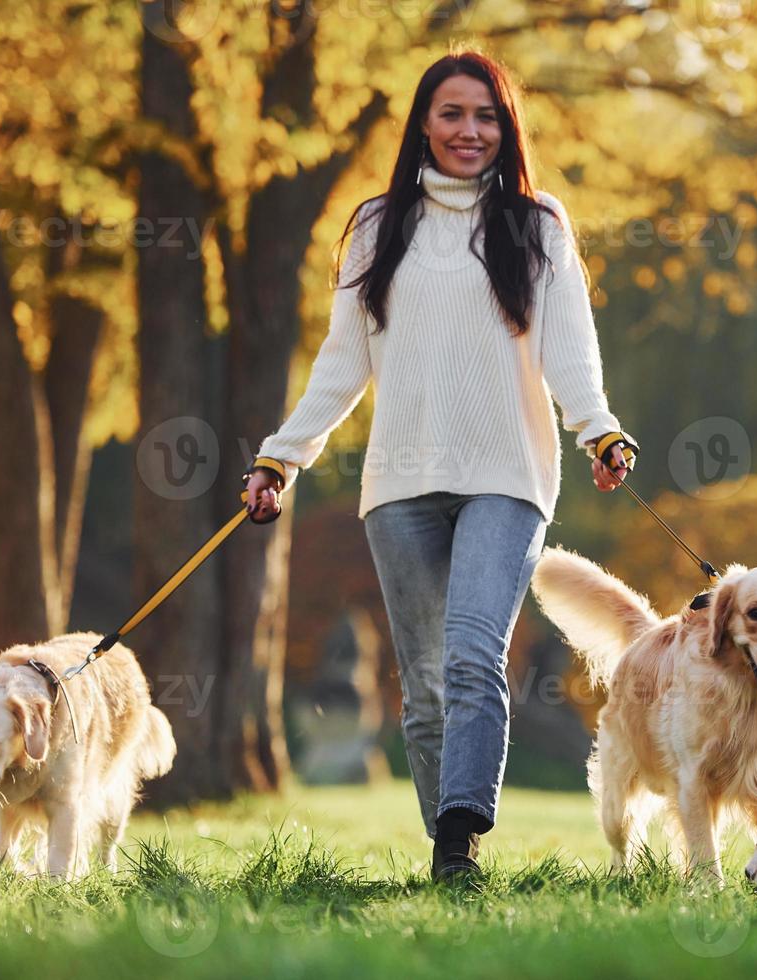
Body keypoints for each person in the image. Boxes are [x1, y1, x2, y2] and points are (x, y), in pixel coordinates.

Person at [242, 49, 638, 885]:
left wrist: (598, 430)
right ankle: (446, 851)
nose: (469, 131)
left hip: (508, 474)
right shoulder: (377, 227)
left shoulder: (539, 226)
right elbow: (342, 362)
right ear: (424, 121)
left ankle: (459, 844)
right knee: (423, 688)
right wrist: (282, 458)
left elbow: (570, 351)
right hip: (400, 486)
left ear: (507, 129)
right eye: (453, 113)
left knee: (469, 656)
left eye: (486, 116)